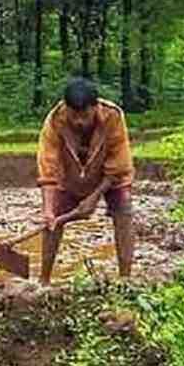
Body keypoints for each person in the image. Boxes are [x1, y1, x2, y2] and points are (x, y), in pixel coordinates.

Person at [35, 77, 135, 285]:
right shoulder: (55, 120)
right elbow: (48, 166)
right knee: (53, 218)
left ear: (95, 107)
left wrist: (94, 197)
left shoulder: (112, 116)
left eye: (85, 115)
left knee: (123, 209)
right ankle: (43, 280)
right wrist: (47, 210)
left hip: (110, 177)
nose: (79, 121)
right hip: (70, 174)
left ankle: (125, 278)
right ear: (66, 109)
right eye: (74, 116)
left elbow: (118, 163)